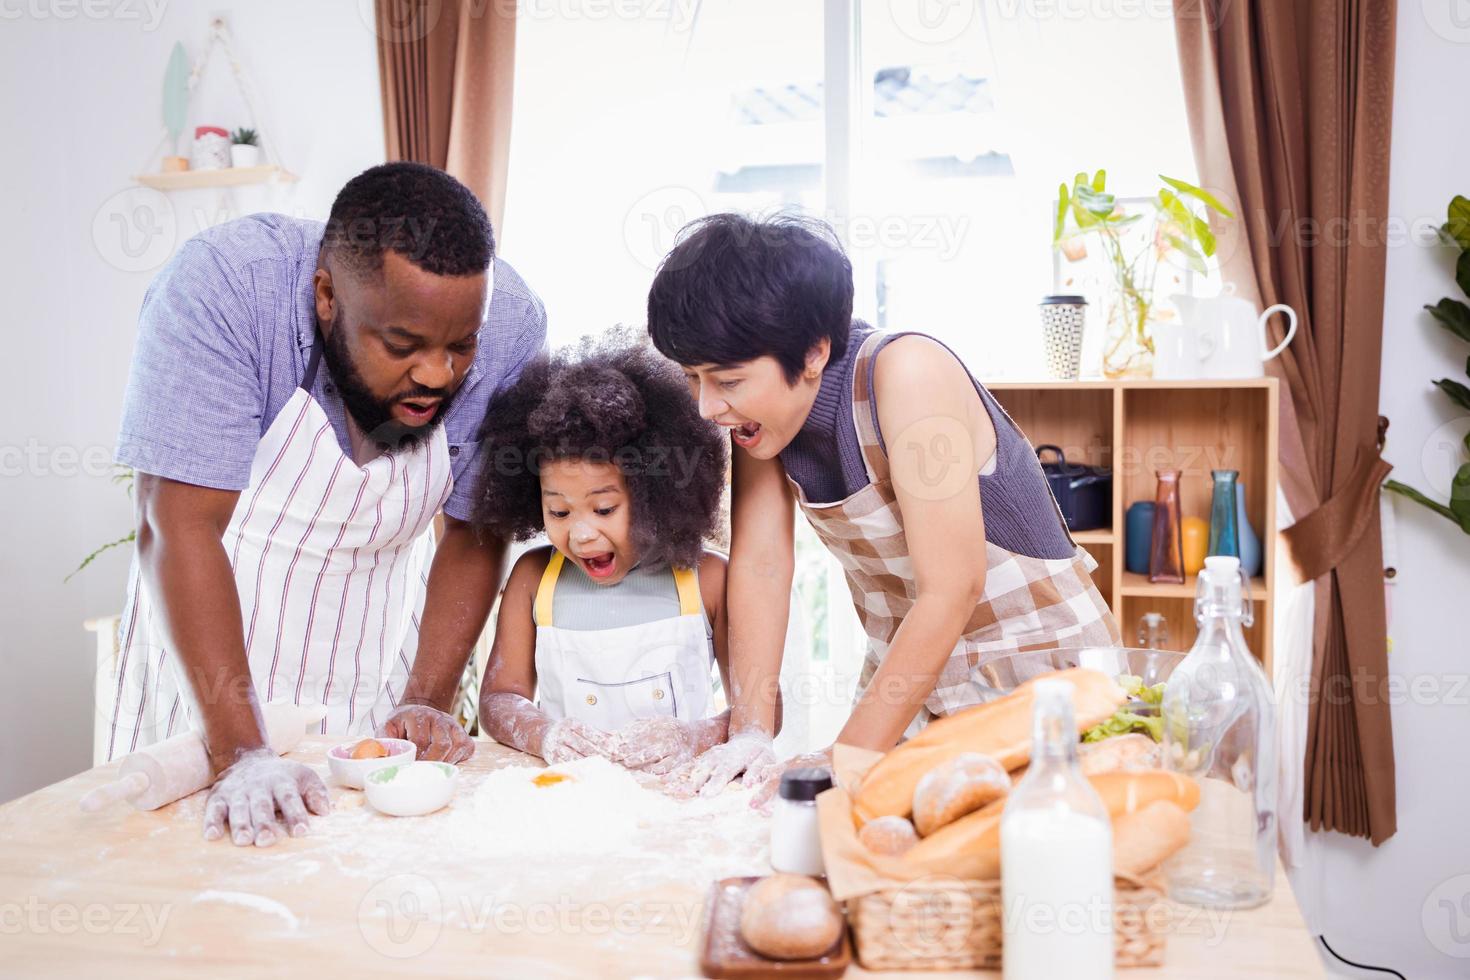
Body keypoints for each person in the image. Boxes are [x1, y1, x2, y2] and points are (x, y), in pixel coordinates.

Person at [109, 163, 545, 845]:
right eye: (402, 346)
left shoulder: (511, 322)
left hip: (370, 670)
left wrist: (424, 703)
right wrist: (242, 755)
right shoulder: (226, 288)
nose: (436, 374)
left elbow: (473, 532)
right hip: (201, 680)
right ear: (325, 297)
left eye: (459, 349)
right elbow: (179, 528)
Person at [645, 213, 1121, 804]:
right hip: (917, 687)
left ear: (815, 352)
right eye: (692, 377)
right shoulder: (759, 423)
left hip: (1041, 682)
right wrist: (750, 732)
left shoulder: (908, 373)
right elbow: (762, 567)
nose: (705, 406)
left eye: (729, 381)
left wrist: (845, 758)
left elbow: (952, 586)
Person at [474, 330, 736, 775]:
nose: (580, 535)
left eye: (603, 508)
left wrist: (693, 737)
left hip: (678, 810)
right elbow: (499, 699)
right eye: (558, 510)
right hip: (571, 807)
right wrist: (544, 734)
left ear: (656, 492)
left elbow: (761, 712)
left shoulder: (707, 579)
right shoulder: (534, 579)